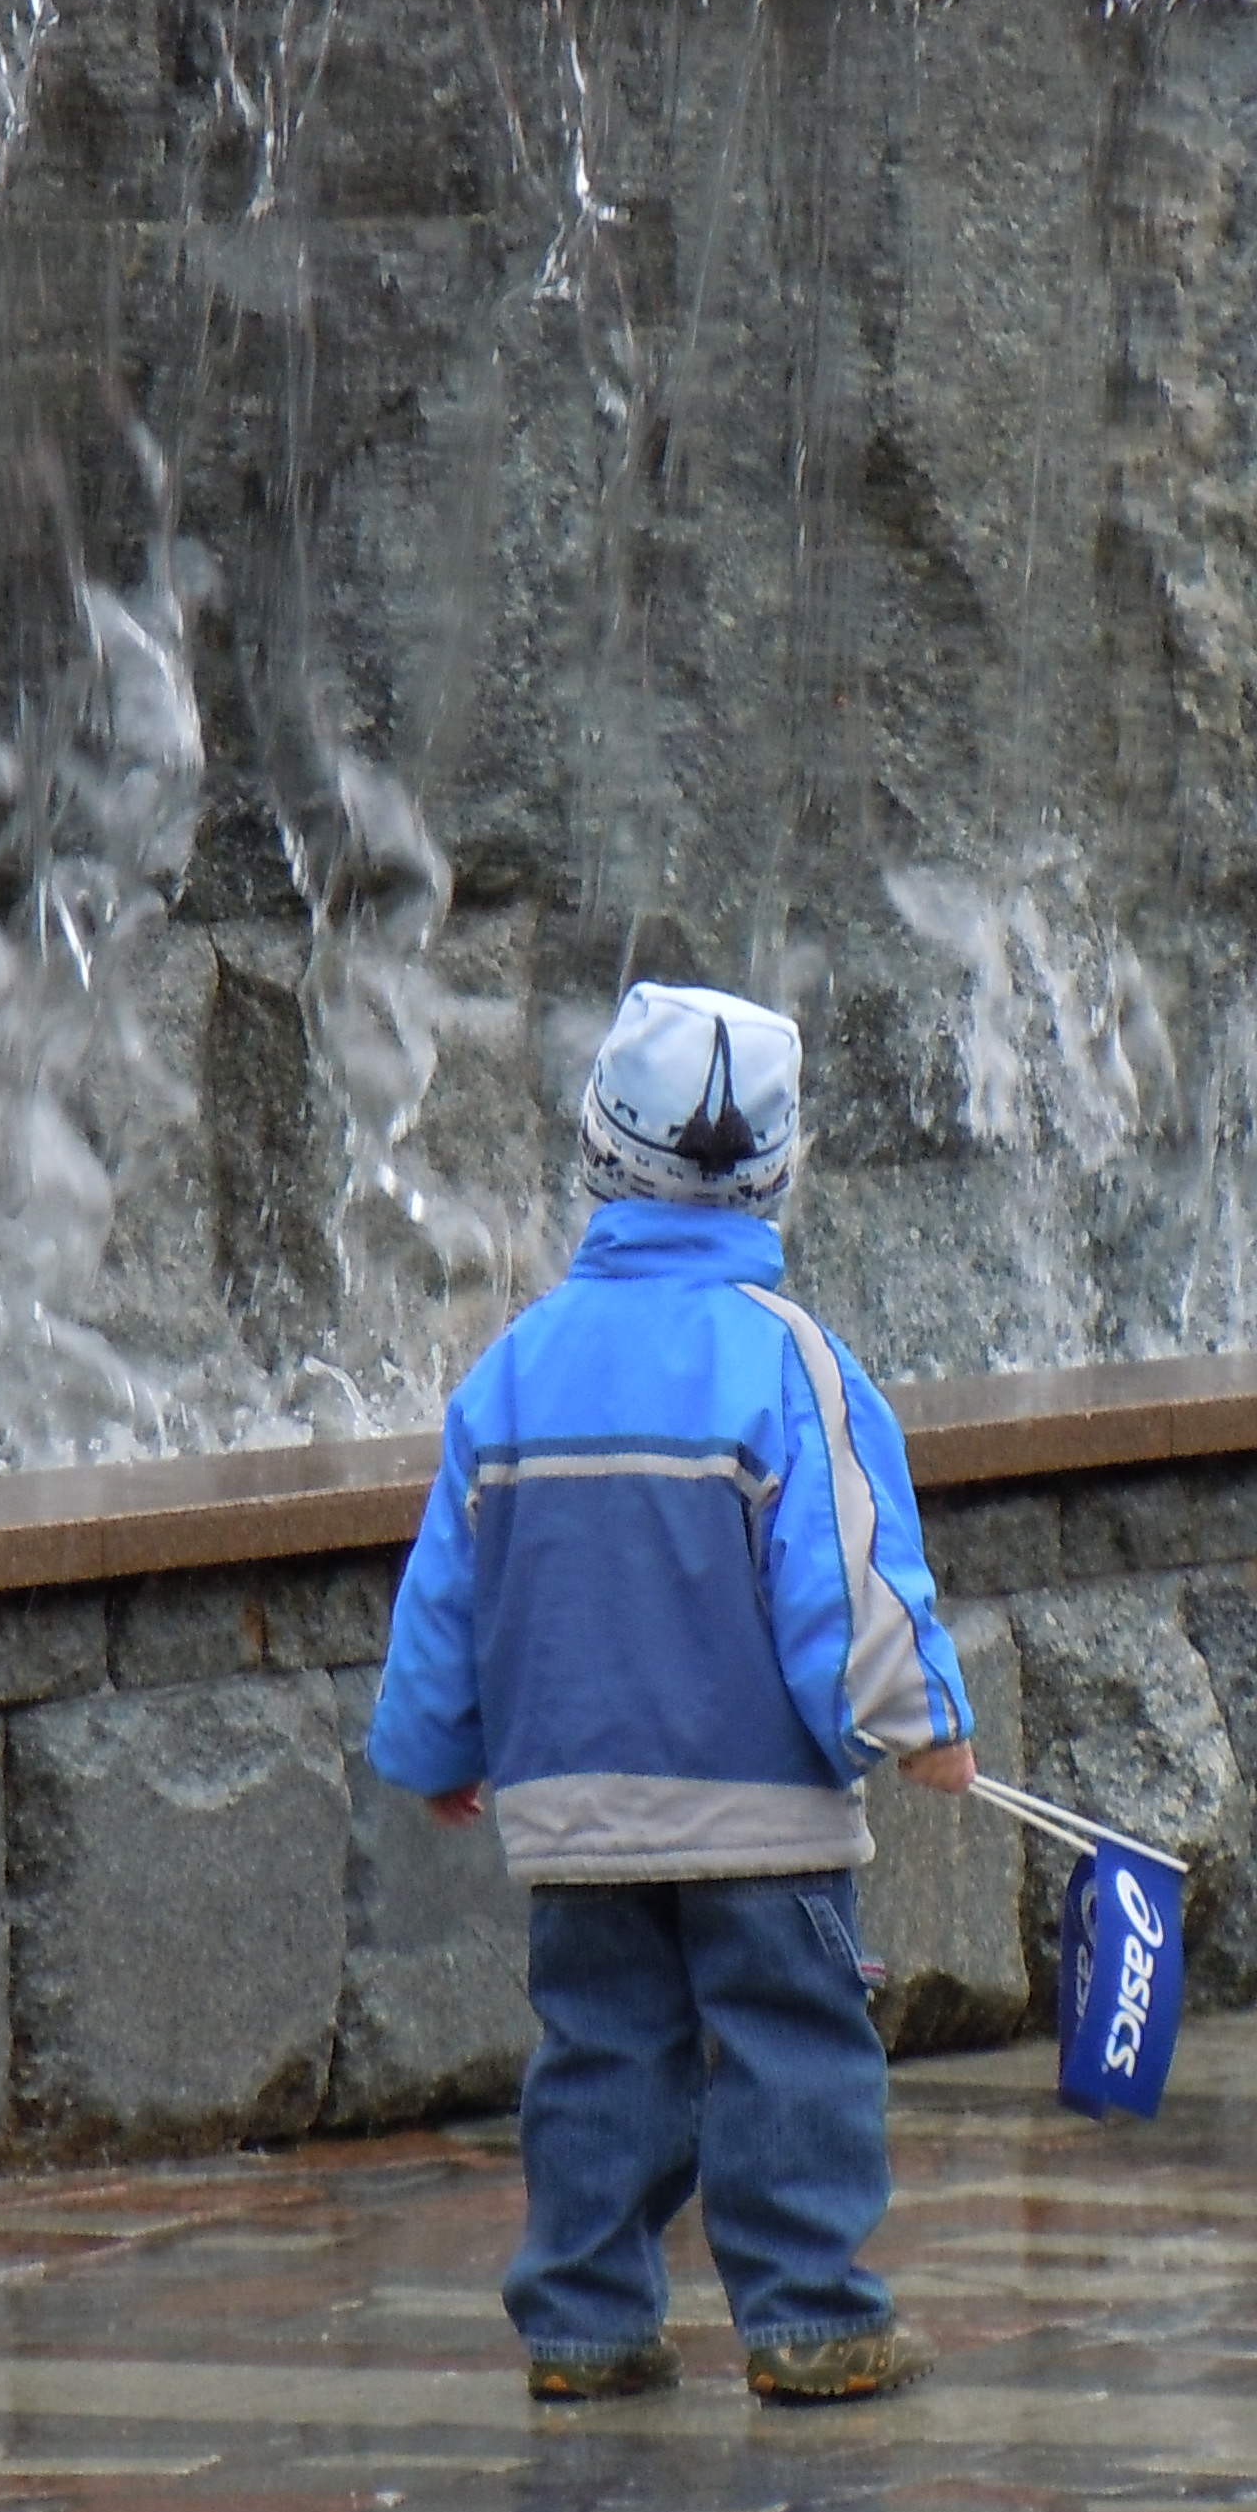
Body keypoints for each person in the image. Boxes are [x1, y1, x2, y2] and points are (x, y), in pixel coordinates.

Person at [368, 980, 977, 2408]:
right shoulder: (789, 1360)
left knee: (600, 2056)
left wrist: (439, 1745)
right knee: (792, 2049)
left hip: (577, 1811)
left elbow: (449, 1588)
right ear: (780, 1170)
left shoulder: (512, 1373)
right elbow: (852, 1581)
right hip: (761, 1812)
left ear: (595, 1149)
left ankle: (584, 2323)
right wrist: (920, 1723)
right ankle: (810, 2316)